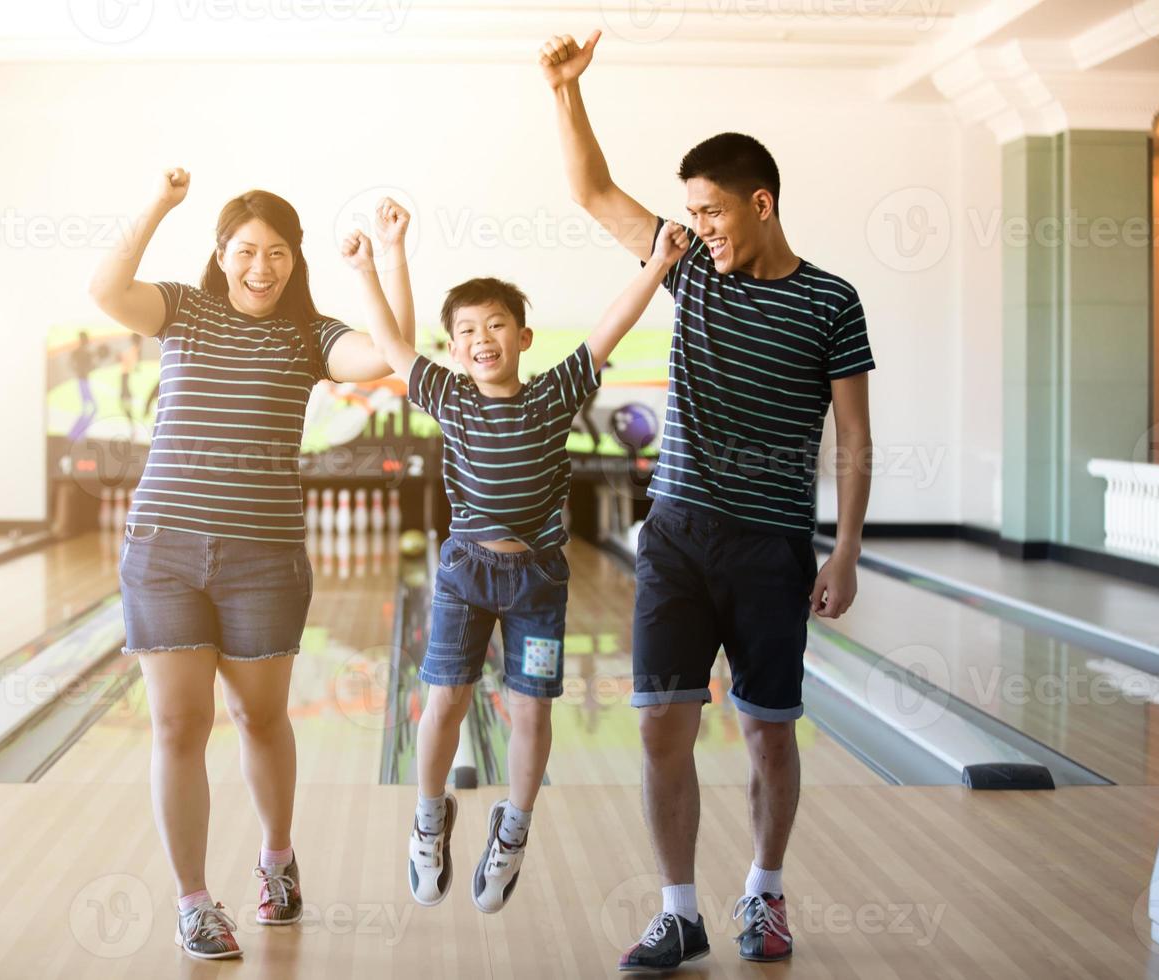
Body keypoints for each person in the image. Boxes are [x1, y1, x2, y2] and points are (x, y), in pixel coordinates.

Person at [540, 31, 876, 970]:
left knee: (768, 732)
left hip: (772, 545)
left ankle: (764, 896)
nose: (697, 226)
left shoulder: (831, 303)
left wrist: (845, 550)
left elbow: (851, 438)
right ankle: (678, 910)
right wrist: (567, 92)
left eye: (712, 211)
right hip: (678, 535)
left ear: (760, 205)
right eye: (689, 212)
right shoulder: (686, 266)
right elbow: (592, 192)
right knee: (660, 722)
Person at [87, 169, 413, 960]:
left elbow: (389, 357)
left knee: (259, 718)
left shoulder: (312, 333)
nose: (260, 266)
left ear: (296, 260)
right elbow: (105, 289)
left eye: (276, 253)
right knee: (178, 724)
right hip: (163, 551)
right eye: (244, 251)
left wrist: (391, 256)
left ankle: (276, 858)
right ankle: (194, 900)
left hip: (263, 558)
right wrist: (159, 201)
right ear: (221, 253)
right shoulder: (182, 310)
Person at [339, 204, 691, 915]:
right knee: (445, 700)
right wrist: (377, 261)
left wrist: (657, 265)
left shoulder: (556, 393)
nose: (481, 338)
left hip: (536, 581)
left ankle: (514, 828)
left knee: (531, 713)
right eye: (466, 330)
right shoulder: (448, 393)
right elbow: (390, 342)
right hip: (465, 574)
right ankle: (430, 815)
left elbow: (609, 327)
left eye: (495, 324)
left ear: (524, 337)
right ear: (454, 346)